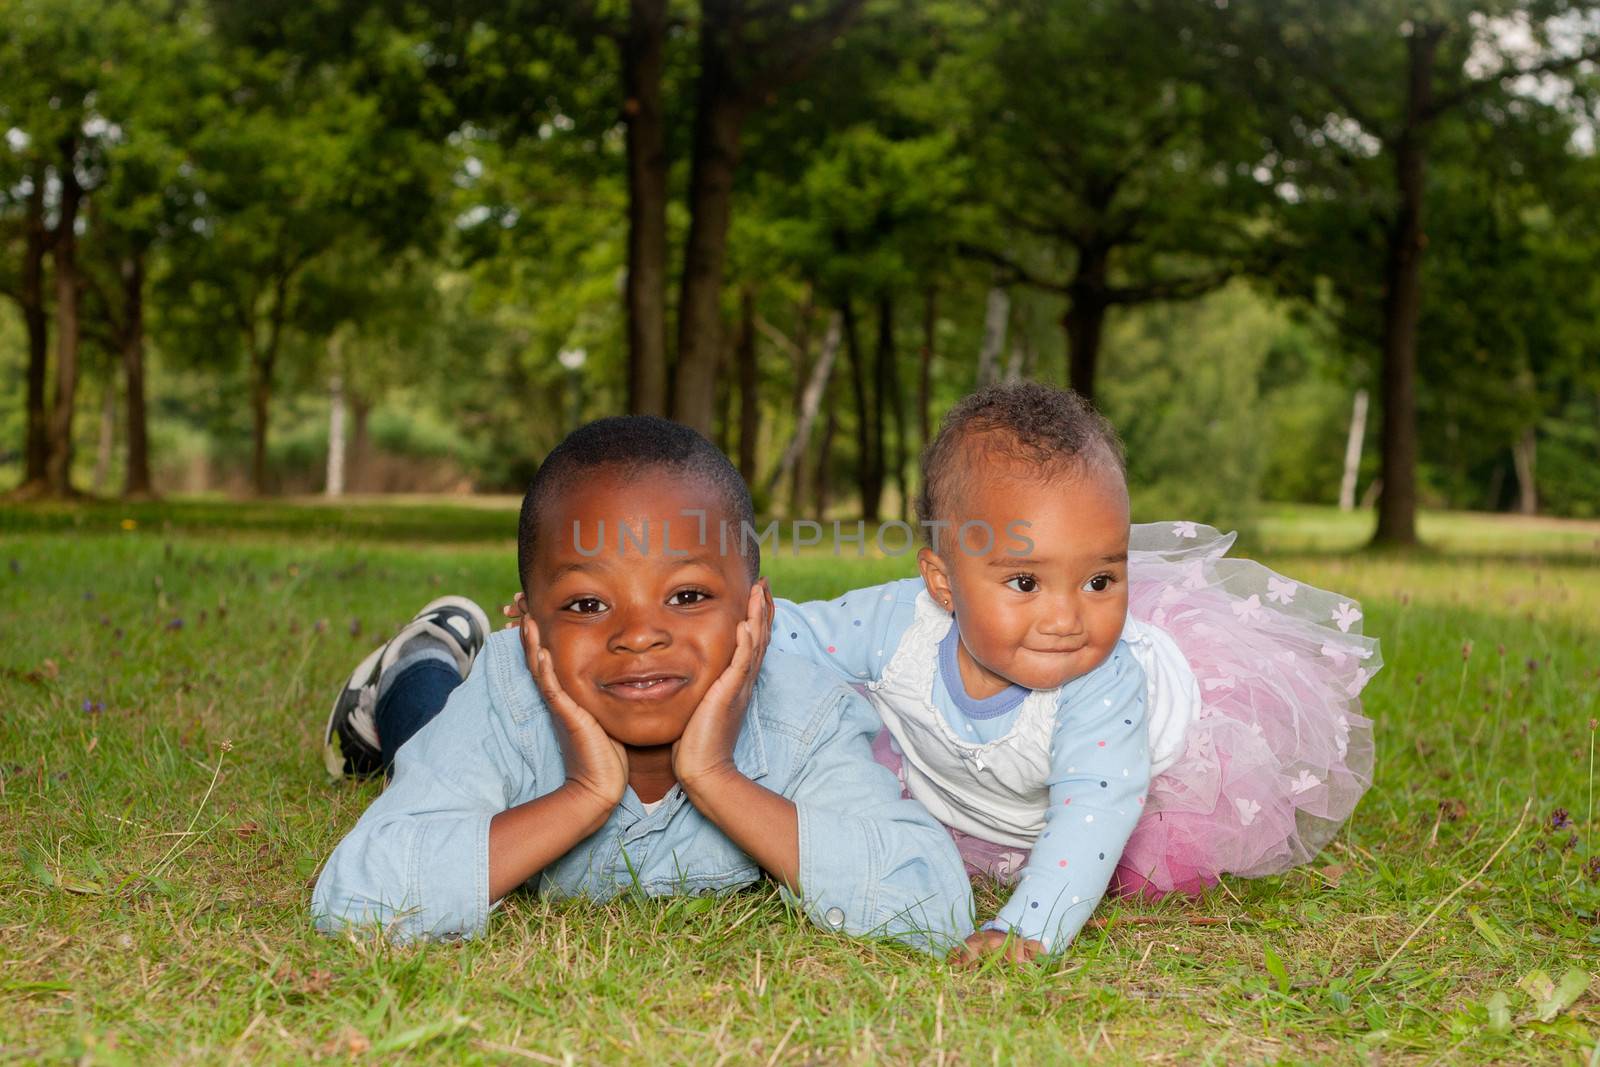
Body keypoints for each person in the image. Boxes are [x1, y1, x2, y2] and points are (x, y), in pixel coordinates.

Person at [765, 382, 1380, 962]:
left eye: (1100, 581)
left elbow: (1097, 807)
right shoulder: (898, 624)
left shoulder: (1103, 681)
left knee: (1146, 866)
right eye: (1025, 582)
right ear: (943, 583)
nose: (1067, 618)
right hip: (979, 782)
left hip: (1141, 767)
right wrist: (719, 628)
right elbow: (796, 634)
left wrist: (1026, 929)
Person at [313, 416, 974, 954]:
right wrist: (583, 795)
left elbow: (934, 901)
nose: (638, 634)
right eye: (586, 605)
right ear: (530, 628)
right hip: (475, 719)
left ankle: (427, 655)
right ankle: (419, 660)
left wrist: (716, 777)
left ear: (757, 614)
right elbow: (356, 896)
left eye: (686, 594)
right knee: (420, 739)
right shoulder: (509, 691)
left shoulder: (801, 714)